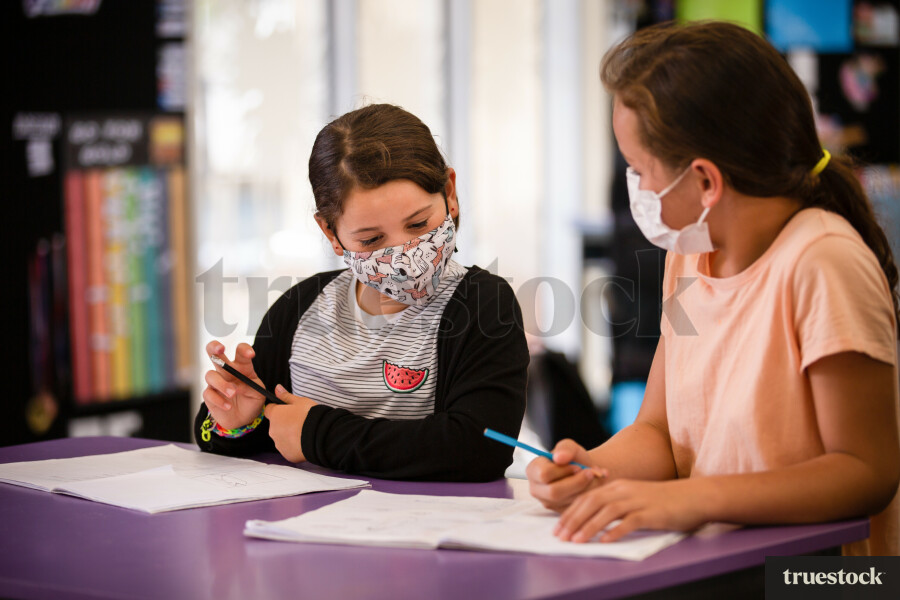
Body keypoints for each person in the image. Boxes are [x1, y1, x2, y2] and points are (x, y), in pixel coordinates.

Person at [527, 21, 900, 555]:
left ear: (705, 180)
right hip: (723, 565)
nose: (638, 188)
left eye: (640, 169)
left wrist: (697, 499)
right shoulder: (689, 254)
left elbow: (865, 472)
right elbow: (658, 431)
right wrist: (594, 468)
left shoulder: (824, 262)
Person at [195, 104, 528, 482]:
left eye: (419, 224)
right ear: (330, 233)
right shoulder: (299, 309)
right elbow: (237, 440)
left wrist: (316, 433)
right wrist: (235, 421)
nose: (404, 255)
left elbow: (479, 448)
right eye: (371, 239)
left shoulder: (483, 304)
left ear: (449, 193)